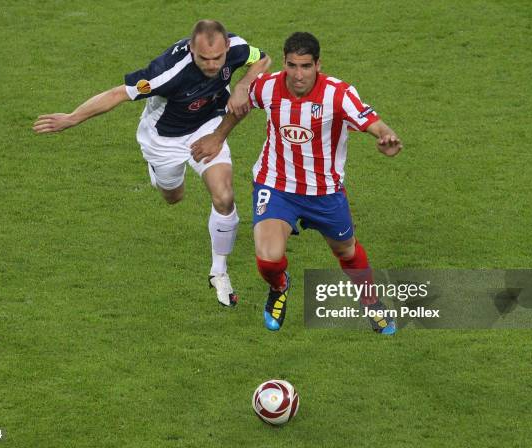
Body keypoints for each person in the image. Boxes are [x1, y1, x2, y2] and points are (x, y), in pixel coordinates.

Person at [33, 20, 271, 307]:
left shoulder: (237, 48)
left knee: (224, 195)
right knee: (173, 196)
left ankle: (219, 271)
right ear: (191, 50)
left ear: (226, 49)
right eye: (203, 58)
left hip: (207, 126)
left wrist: (244, 84)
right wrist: (72, 117)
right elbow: (117, 94)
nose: (211, 65)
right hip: (164, 140)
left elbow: (263, 58)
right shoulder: (166, 73)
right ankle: (159, 175)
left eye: (218, 58)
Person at [190, 32, 402, 332]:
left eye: (305, 66)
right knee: (267, 257)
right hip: (276, 185)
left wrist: (386, 138)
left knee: (346, 252)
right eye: (292, 65)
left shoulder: (337, 94)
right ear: (285, 63)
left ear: (318, 64)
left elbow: (374, 123)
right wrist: (218, 135)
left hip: (324, 192)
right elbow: (241, 107)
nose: (298, 75)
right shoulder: (267, 86)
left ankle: (369, 301)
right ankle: (279, 287)